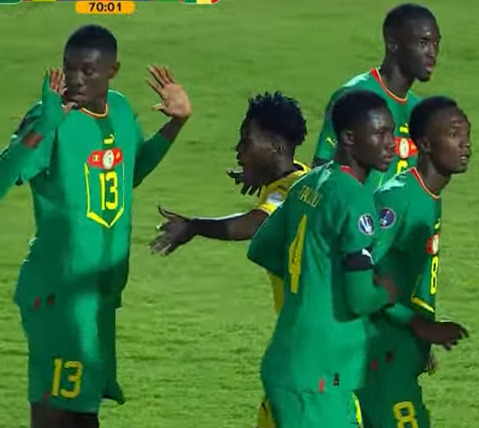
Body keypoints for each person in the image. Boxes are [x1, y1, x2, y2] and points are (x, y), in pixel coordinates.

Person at [0, 24, 191, 428]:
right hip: (59, 293)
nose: (75, 79)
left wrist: (175, 125)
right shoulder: (51, 116)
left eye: (87, 71)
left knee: (83, 412)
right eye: (69, 68)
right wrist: (43, 126)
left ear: (112, 71)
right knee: (58, 414)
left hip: (99, 296)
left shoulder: (118, 110)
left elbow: (128, 174)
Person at [148, 91, 310, 428]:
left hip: (307, 348)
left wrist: (193, 226)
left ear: (276, 147)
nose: (238, 150)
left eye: (246, 140)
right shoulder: (298, 177)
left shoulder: (290, 191)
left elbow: (254, 224)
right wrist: (259, 175)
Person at [246, 90, 397, 428]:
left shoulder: (306, 184)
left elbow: (262, 248)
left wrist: (311, 283)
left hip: (295, 360)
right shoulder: (354, 199)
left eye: (392, 132)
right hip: (317, 374)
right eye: (380, 133)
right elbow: (360, 298)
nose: (391, 143)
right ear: (349, 138)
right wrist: (390, 292)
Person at [356, 96, 471, 428]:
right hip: (375, 351)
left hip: (395, 347)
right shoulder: (398, 197)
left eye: (467, 133)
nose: (465, 143)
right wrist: (419, 326)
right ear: (426, 144)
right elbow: (359, 271)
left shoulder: (428, 196)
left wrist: (416, 341)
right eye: (454, 134)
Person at [312, 3, 440, 191]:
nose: (432, 53)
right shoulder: (354, 97)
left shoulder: (419, 111)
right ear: (393, 44)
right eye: (423, 43)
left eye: (436, 44)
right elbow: (320, 171)